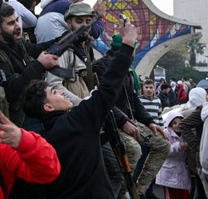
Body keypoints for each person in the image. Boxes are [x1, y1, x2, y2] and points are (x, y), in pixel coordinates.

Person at [22, 17, 137, 198]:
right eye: (54, 92)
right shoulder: (79, 119)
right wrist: (128, 45)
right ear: (48, 107)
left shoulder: (40, 145)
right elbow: (108, 87)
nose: (62, 93)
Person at [94, 37, 170, 198]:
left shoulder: (128, 69)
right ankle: (122, 194)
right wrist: (123, 122)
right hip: (109, 122)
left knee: (163, 144)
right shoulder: (102, 67)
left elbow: (134, 99)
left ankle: (140, 189)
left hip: (129, 121)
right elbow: (100, 99)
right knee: (134, 150)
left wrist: (150, 123)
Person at [0, 3, 60, 127]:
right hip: (21, 119)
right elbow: (11, 90)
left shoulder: (17, 42)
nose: (18, 26)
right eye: (11, 23)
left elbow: (37, 48)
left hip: (36, 107)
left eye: (17, 20)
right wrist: (39, 65)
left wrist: (63, 40)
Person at [44, 2, 96, 106]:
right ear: (69, 23)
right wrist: (82, 105)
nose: (84, 25)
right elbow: (53, 84)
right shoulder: (63, 49)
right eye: (79, 21)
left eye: (88, 21)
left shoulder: (86, 48)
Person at [155, 112, 190, 199]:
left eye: (180, 123)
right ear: (170, 123)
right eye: (174, 123)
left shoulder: (185, 134)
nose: (177, 125)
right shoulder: (166, 133)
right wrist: (179, 146)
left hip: (182, 173)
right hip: (169, 174)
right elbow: (164, 150)